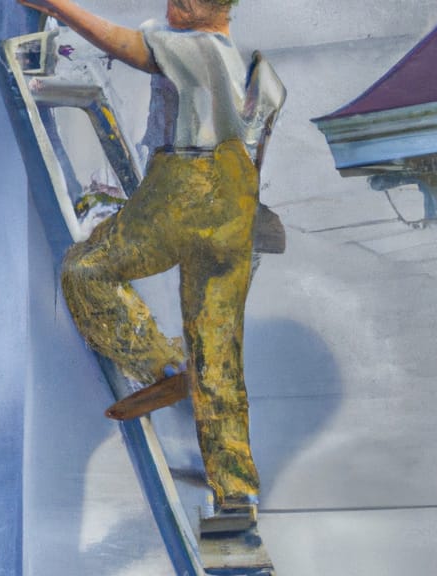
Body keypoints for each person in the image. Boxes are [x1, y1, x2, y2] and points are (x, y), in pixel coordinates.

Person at [17, 0, 262, 519]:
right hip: (236, 203)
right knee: (218, 351)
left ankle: (161, 365)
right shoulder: (238, 62)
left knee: (87, 271)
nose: (170, 6)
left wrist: (58, 6)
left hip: (189, 183)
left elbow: (127, 46)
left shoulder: (195, 48)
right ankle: (236, 495)